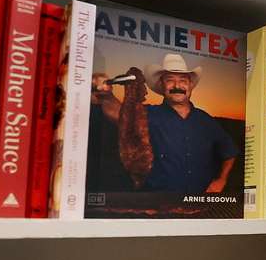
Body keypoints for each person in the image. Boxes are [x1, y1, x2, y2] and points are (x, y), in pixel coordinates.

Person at [93, 54, 237, 194]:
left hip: (199, 201)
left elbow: (230, 151)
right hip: (157, 201)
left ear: (191, 85)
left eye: (183, 80)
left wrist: (221, 180)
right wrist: (106, 96)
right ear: (162, 85)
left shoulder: (206, 121)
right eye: (170, 80)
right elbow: (120, 114)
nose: (177, 85)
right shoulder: (147, 114)